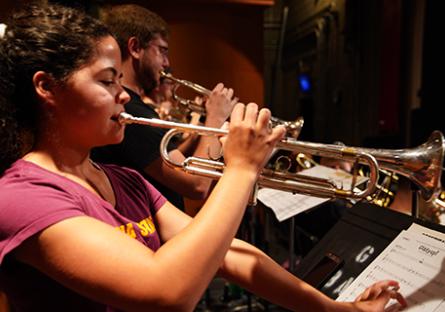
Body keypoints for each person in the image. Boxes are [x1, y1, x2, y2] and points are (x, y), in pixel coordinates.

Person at [0, 4, 407, 312]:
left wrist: (336, 309)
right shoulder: (22, 196)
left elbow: (228, 253)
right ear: (46, 88)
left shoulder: (125, 180)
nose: (123, 95)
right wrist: (242, 169)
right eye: (107, 81)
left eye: (121, 81)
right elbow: (166, 292)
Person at [91, 4, 236, 210]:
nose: (166, 63)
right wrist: (215, 119)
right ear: (135, 48)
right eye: (162, 51)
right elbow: (197, 185)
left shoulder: (136, 106)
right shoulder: (129, 111)